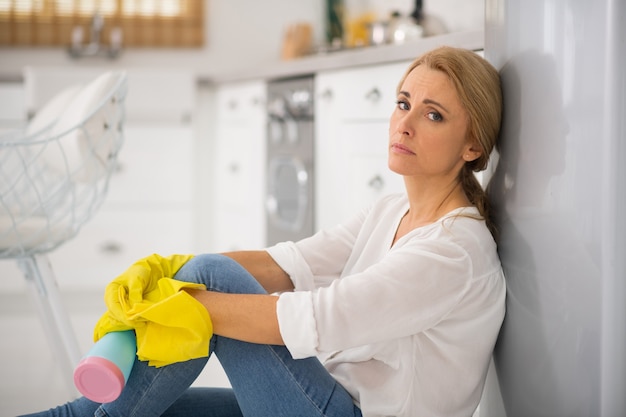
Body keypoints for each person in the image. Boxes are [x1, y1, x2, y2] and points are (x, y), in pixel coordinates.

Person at [21, 45, 505, 417]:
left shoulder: (453, 251)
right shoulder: (391, 210)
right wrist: (166, 272)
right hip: (327, 398)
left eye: (433, 115)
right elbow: (289, 264)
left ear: (472, 146)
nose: (405, 124)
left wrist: (177, 298)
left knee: (211, 277)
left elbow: (310, 318)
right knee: (160, 403)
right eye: (403, 103)